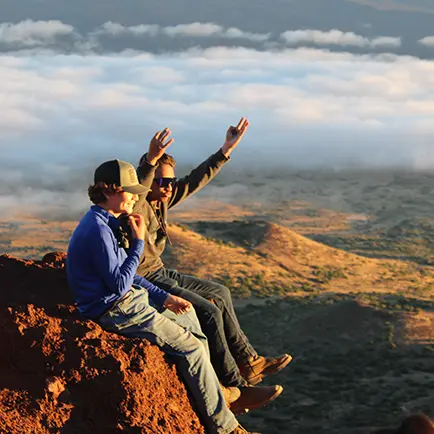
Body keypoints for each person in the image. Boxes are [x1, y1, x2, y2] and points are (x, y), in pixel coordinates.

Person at [66, 157, 260, 434]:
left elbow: (128, 276)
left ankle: (210, 387)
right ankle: (226, 428)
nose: (135, 198)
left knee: (191, 313)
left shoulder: (107, 221)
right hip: (116, 309)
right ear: (108, 190)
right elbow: (120, 285)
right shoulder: (98, 230)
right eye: (129, 191)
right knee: (191, 348)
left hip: (130, 299)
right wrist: (139, 243)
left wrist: (162, 297)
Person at [132, 118, 292, 398]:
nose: (168, 186)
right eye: (161, 181)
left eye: (170, 180)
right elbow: (141, 185)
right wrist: (150, 160)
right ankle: (237, 387)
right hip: (145, 278)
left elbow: (195, 179)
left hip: (160, 270)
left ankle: (249, 361)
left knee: (221, 292)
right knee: (208, 310)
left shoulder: (163, 200)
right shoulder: (138, 203)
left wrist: (226, 149)